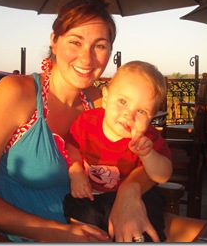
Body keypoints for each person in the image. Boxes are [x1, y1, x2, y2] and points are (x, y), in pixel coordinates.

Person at [0, 0, 206, 243]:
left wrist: (130, 192)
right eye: (75, 42)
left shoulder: (100, 103)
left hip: (101, 223)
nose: (87, 58)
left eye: (100, 45)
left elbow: (150, 158)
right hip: (29, 234)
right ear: (54, 41)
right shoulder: (18, 94)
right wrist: (51, 232)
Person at [63, 60, 173, 242]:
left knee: (151, 211)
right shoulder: (87, 122)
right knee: (75, 207)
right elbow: (71, 146)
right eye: (122, 101)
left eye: (142, 111)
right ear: (106, 98)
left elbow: (163, 175)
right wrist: (75, 172)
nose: (128, 115)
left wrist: (148, 155)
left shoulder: (148, 139)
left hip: (135, 199)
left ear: (151, 117)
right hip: (92, 194)